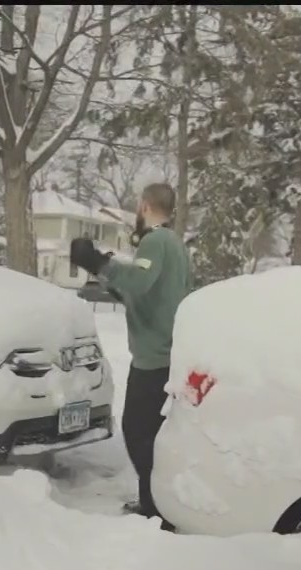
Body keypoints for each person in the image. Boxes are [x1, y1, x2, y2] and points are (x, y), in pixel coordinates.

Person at [69, 183, 192, 526]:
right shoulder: (176, 245)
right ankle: (157, 502)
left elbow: (138, 283)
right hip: (165, 353)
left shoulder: (157, 241)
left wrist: (98, 262)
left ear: (145, 206)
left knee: (137, 431)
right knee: (151, 433)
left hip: (154, 357)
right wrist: (105, 277)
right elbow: (148, 295)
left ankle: (156, 507)